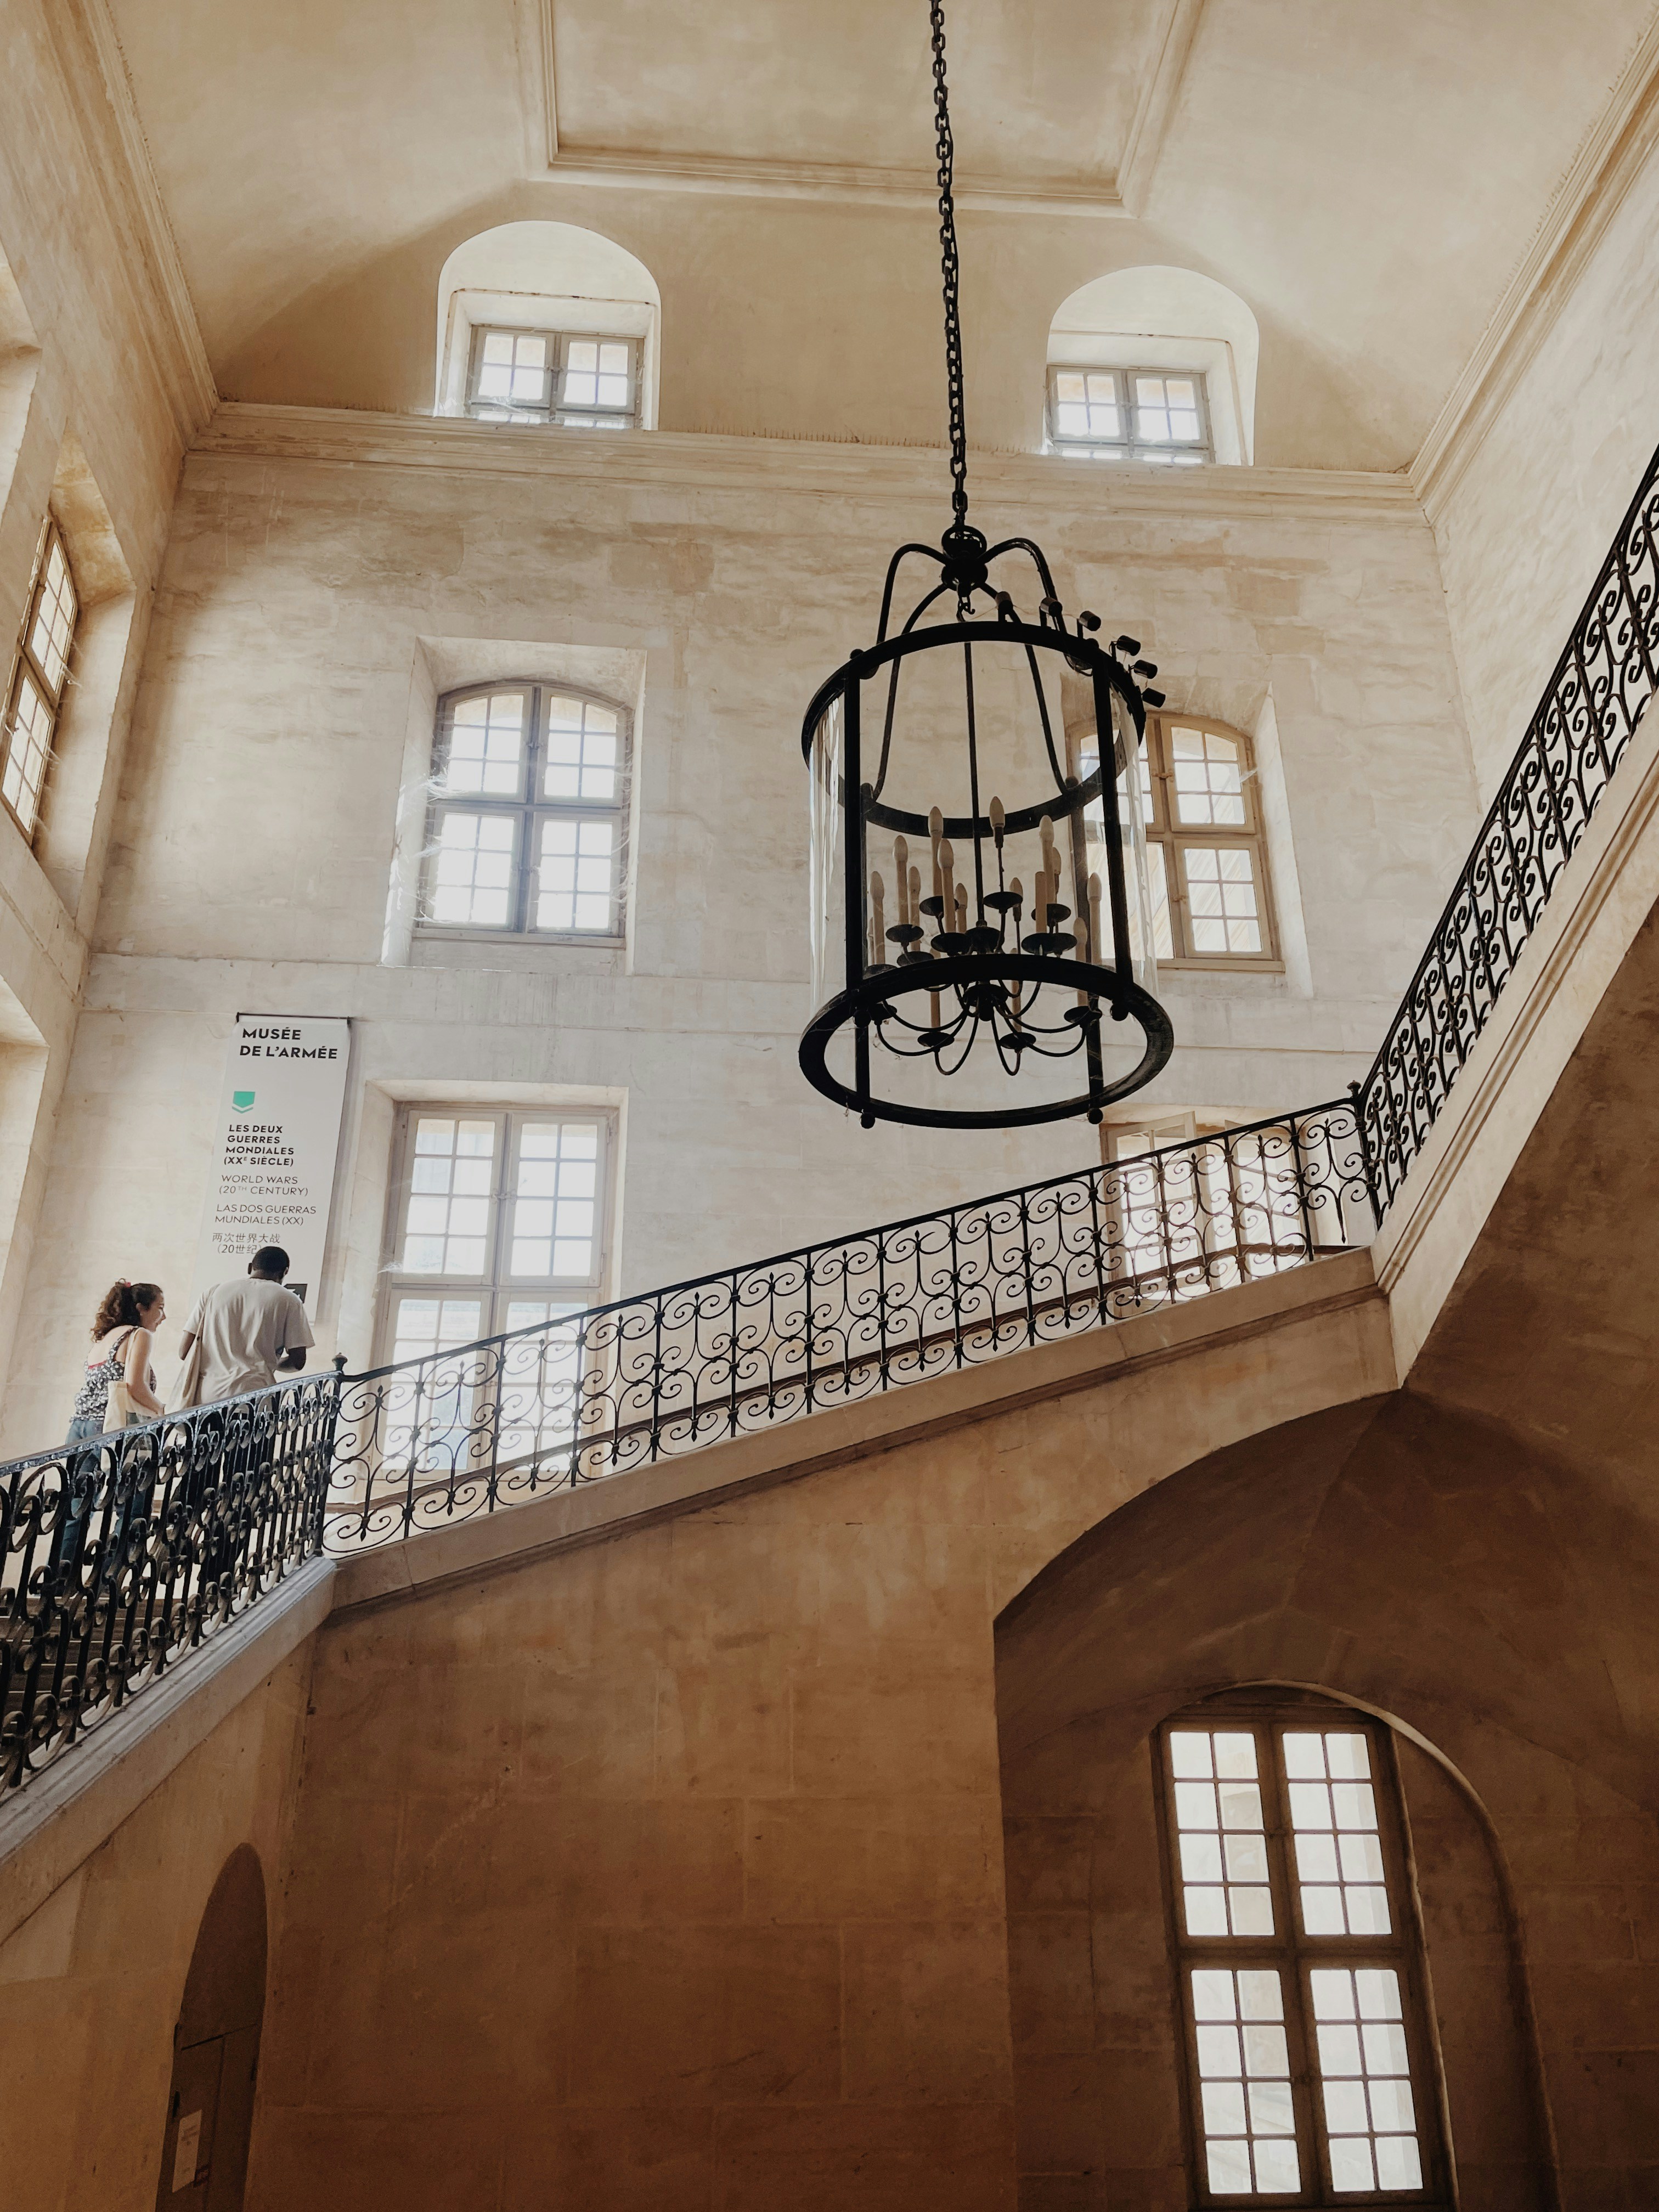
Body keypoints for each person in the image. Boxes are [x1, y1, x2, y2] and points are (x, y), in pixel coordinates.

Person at [176, 1246, 314, 1405]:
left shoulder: (213, 1293)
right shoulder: (289, 1300)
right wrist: (269, 1363)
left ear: (250, 1267)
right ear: (284, 1272)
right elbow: (298, 1362)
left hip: (207, 1398)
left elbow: (184, 1351)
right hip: (254, 1397)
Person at [65, 1279, 166, 1442]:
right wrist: (162, 1409)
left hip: (78, 1426)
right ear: (141, 1309)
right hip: (108, 1426)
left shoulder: (105, 1338)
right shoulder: (139, 1335)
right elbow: (136, 1386)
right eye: (160, 1308)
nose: (164, 1317)